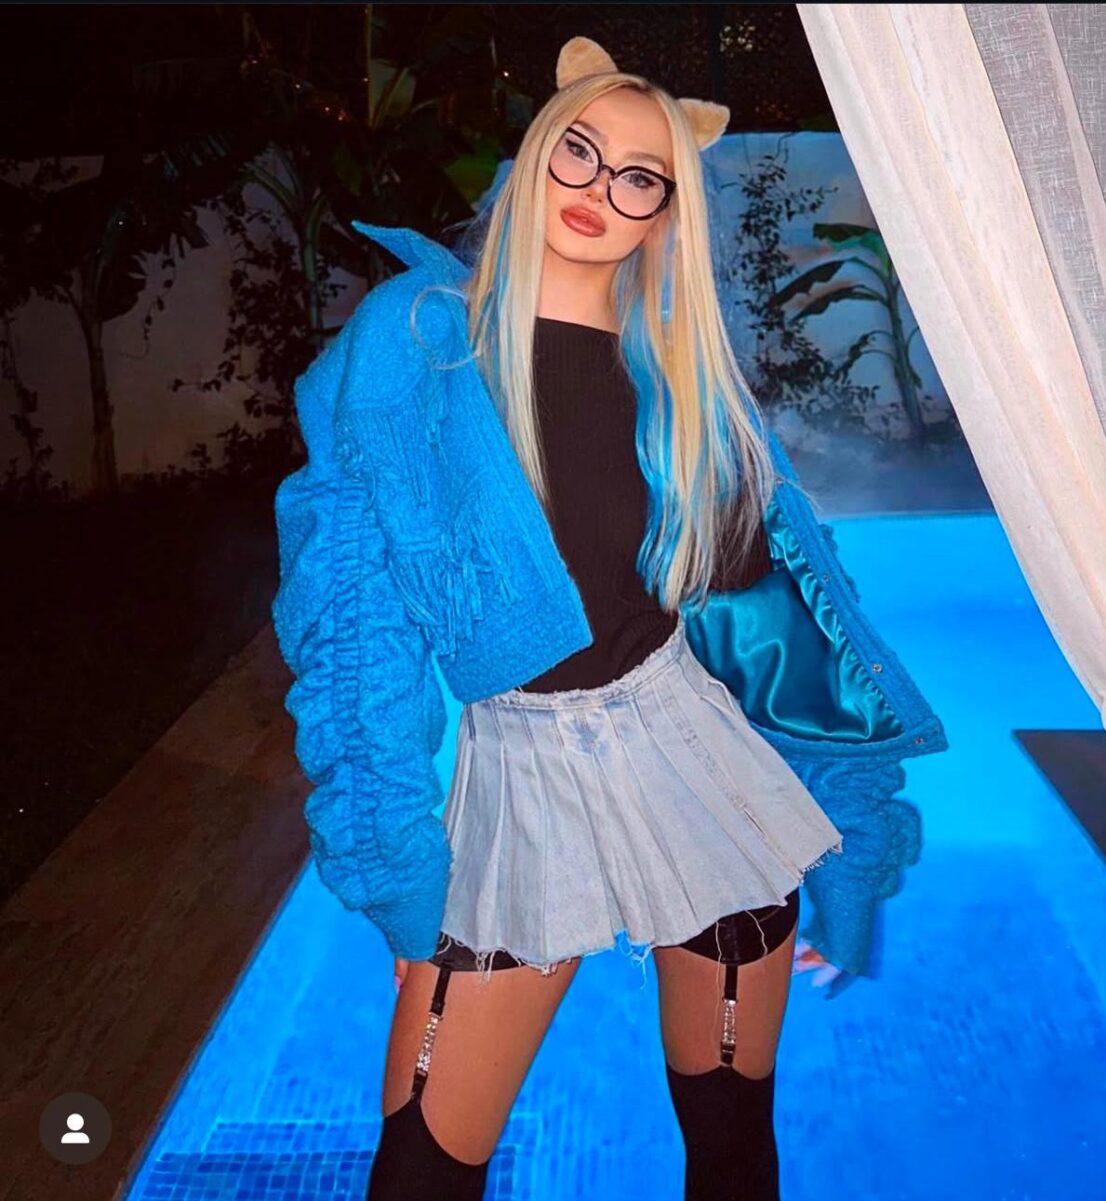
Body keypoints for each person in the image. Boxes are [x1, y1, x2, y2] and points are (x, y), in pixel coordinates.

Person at [271, 35, 948, 1201]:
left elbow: (780, 631)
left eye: (641, 177)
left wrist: (848, 835)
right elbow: (353, 634)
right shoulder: (414, 348)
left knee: (731, 1148)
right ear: (539, 151)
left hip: (696, 767)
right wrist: (395, 870)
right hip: (517, 777)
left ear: (665, 213)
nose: (598, 190)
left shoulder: (686, 389)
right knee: (420, 1168)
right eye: (580, 153)